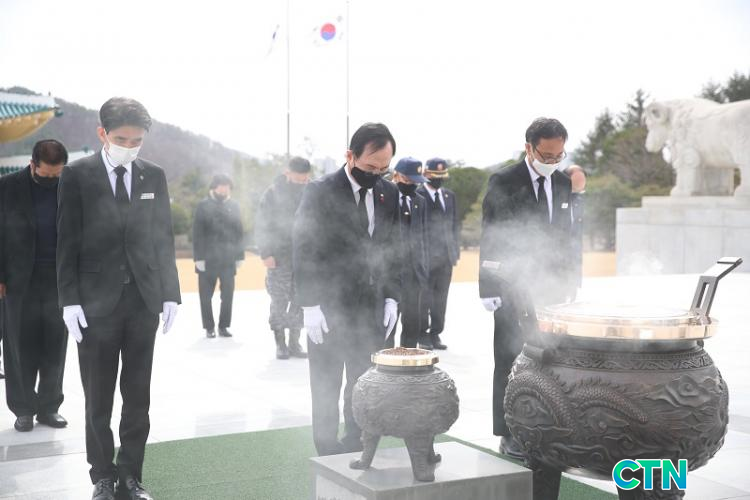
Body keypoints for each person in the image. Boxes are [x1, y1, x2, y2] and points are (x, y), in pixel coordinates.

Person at [57, 97, 181, 500]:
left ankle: (130, 476)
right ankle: (103, 476)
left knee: (137, 397)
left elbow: (162, 237)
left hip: (143, 302)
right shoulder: (77, 175)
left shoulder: (153, 175)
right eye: (122, 139)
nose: (130, 146)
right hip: (95, 305)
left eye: (137, 140)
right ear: (103, 134)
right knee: (98, 398)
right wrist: (69, 300)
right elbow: (66, 241)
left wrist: (170, 294)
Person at [293, 123, 401, 456]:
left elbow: (394, 247)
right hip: (328, 304)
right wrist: (309, 304)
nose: (376, 175)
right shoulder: (320, 191)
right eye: (370, 167)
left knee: (364, 380)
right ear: (350, 156)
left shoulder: (389, 193)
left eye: (383, 169)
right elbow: (304, 247)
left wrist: (392, 297)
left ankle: (358, 443)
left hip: (370, 305)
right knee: (326, 381)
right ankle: (326, 449)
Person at [479, 117, 576, 467]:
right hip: (511, 285)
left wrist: (569, 280)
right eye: (546, 156)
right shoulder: (504, 180)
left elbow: (565, 236)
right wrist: (488, 286)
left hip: (549, 286)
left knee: (549, 357)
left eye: (559, 156)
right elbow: (491, 233)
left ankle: (544, 423)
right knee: (509, 357)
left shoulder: (563, 182)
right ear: (529, 148)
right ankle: (508, 431)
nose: (552, 162)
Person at [0, 139, 69, 432]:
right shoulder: (7, 187)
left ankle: (49, 407)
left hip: (59, 280)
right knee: (19, 346)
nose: (51, 180)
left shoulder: (71, 186)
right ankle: (23, 409)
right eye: (45, 175)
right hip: (18, 281)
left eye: (56, 175)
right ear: (32, 165)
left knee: (55, 344)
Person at [255, 157, 311, 359]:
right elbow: (262, 224)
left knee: (300, 299)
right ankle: (280, 343)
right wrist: (266, 253)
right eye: (299, 178)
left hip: (303, 257)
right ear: (288, 173)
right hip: (279, 257)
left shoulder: (309, 191)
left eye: (306, 179)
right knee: (279, 299)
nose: (303, 182)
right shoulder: (272, 193)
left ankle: (295, 343)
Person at [192, 174, 245, 339]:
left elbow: (239, 231)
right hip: (207, 259)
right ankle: (209, 327)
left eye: (227, 187)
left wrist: (240, 256)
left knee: (228, 295)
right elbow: (197, 233)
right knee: (205, 296)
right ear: (214, 187)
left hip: (228, 259)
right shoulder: (203, 206)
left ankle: (223, 326)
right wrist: (198, 258)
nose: (225, 189)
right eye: (222, 186)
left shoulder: (234, 205)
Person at [417, 158, 460, 350]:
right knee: (423, 298)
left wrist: (455, 251)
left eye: (442, 175)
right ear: (426, 174)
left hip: (445, 258)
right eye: (435, 175)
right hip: (425, 258)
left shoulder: (449, 196)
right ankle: (422, 334)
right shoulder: (418, 195)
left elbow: (454, 225)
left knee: (441, 299)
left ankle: (436, 333)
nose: (439, 179)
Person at [386, 157, 429, 348]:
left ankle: (408, 358)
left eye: (415, 181)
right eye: (408, 180)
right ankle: (386, 361)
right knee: (388, 322)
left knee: (412, 323)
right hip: (391, 273)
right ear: (396, 175)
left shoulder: (420, 201)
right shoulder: (385, 196)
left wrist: (423, 269)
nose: (412, 185)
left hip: (414, 274)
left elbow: (423, 236)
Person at [565, 164, 586, 291]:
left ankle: (574, 286)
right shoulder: (557, 196)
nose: (581, 183)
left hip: (575, 247)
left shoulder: (580, 199)